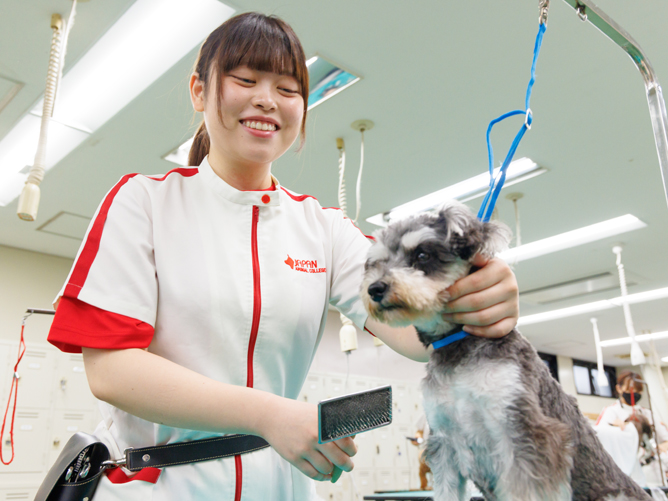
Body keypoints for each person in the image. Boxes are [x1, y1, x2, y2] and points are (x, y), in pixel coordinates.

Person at [46, 12, 519, 500]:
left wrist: (475, 299)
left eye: (288, 89)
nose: (267, 100)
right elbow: (111, 370)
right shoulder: (142, 203)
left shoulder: (324, 230)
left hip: (280, 485)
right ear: (199, 91)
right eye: (245, 80)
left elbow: (414, 331)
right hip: (162, 485)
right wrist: (268, 414)